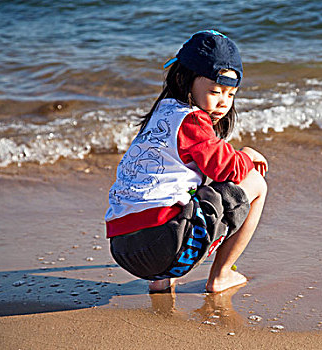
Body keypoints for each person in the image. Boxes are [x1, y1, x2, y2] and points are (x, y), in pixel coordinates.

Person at [105, 30, 268, 293]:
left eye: (231, 94)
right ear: (184, 79)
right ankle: (221, 275)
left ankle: (161, 281)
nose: (224, 103)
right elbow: (229, 169)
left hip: (122, 247)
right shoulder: (191, 121)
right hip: (164, 246)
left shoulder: (162, 114)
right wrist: (246, 155)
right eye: (216, 91)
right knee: (256, 184)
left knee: (174, 191)